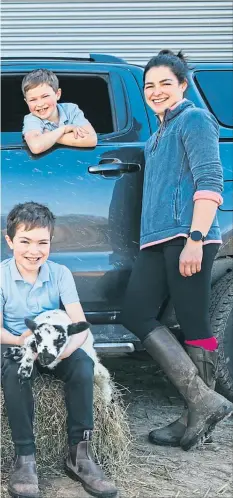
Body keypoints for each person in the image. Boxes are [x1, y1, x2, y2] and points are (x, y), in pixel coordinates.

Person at [121, 49, 233, 450]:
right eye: (149, 85)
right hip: (157, 240)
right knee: (134, 313)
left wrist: (196, 240)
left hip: (188, 236)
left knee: (195, 324)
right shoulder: (157, 136)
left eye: (165, 83)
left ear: (182, 85)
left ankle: (195, 414)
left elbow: (210, 182)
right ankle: (202, 401)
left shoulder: (195, 119)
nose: (156, 91)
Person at [1, 202, 117, 498]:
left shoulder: (60, 273)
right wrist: (21, 341)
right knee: (15, 371)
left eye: (43, 242)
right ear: (10, 240)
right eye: (25, 241)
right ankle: (25, 458)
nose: (34, 251)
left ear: (51, 242)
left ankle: (80, 455)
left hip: (56, 345)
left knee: (82, 365)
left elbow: (80, 323)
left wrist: (66, 350)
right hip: (18, 343)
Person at [22, 68, 97, 154]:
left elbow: (91, 139)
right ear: (26, 102)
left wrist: (48, 136)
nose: (40, 104)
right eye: (33, 100)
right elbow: (36, 146)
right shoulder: (31, 119)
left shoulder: (71, 109)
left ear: (57, 94)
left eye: (45, 96)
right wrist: (64, 129)